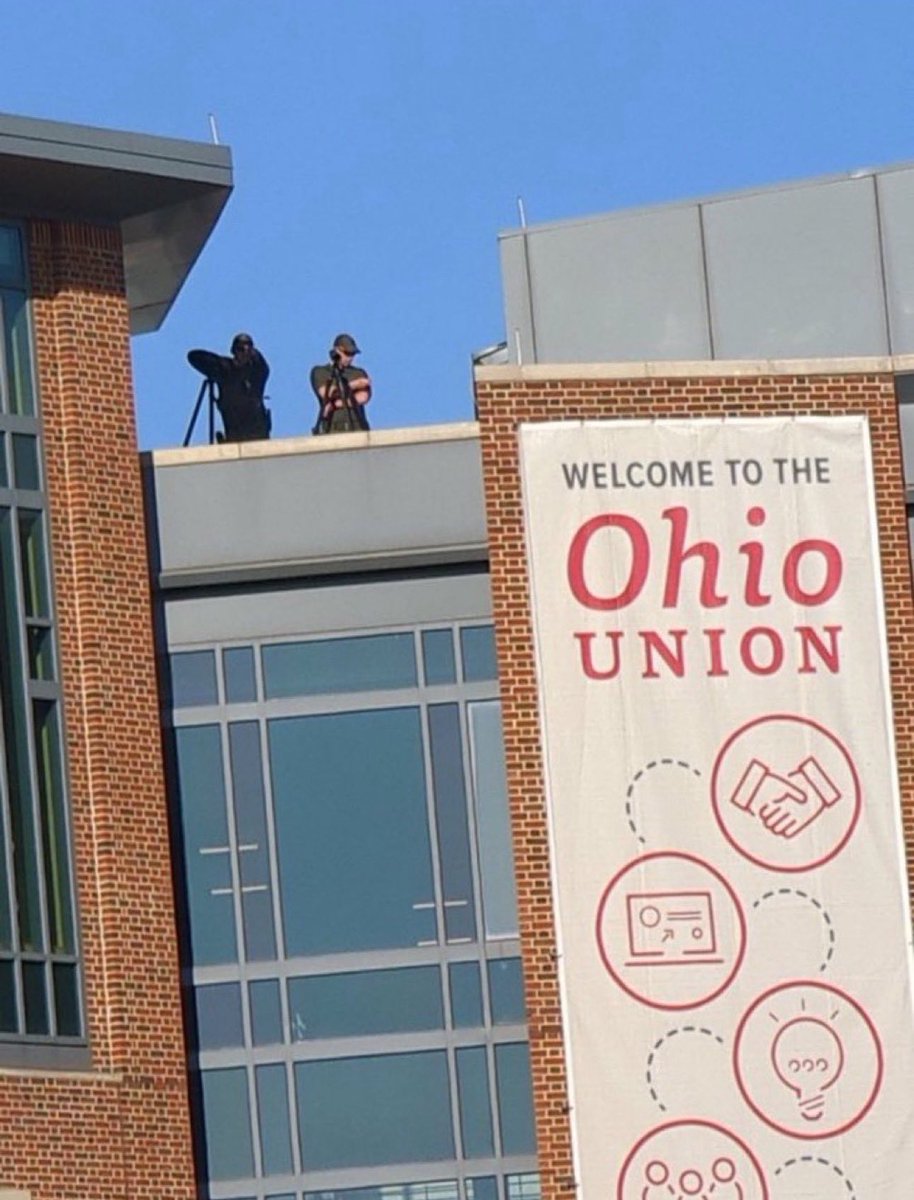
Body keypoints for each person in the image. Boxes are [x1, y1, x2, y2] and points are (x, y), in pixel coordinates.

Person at [187, 333, 271, 442]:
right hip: (235, 436)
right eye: (241, 350)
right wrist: (217, 363)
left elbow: (263, 366)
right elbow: (193, 356)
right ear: (234, 351)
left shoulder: (257, 374)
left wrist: (253, 352)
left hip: (259, 436)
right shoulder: (225, 371)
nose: (244, 354)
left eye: (248, 351)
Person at [310, 333, 372, 434]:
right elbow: (326, 393)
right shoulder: (321, 371)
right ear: (336, 351)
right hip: (332, 429)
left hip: (357, 427)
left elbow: (363, 397)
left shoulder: (358, 373)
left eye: (352, 354)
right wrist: (354, 385)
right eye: (347, 353)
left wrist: (335, 404)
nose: (350, 358)